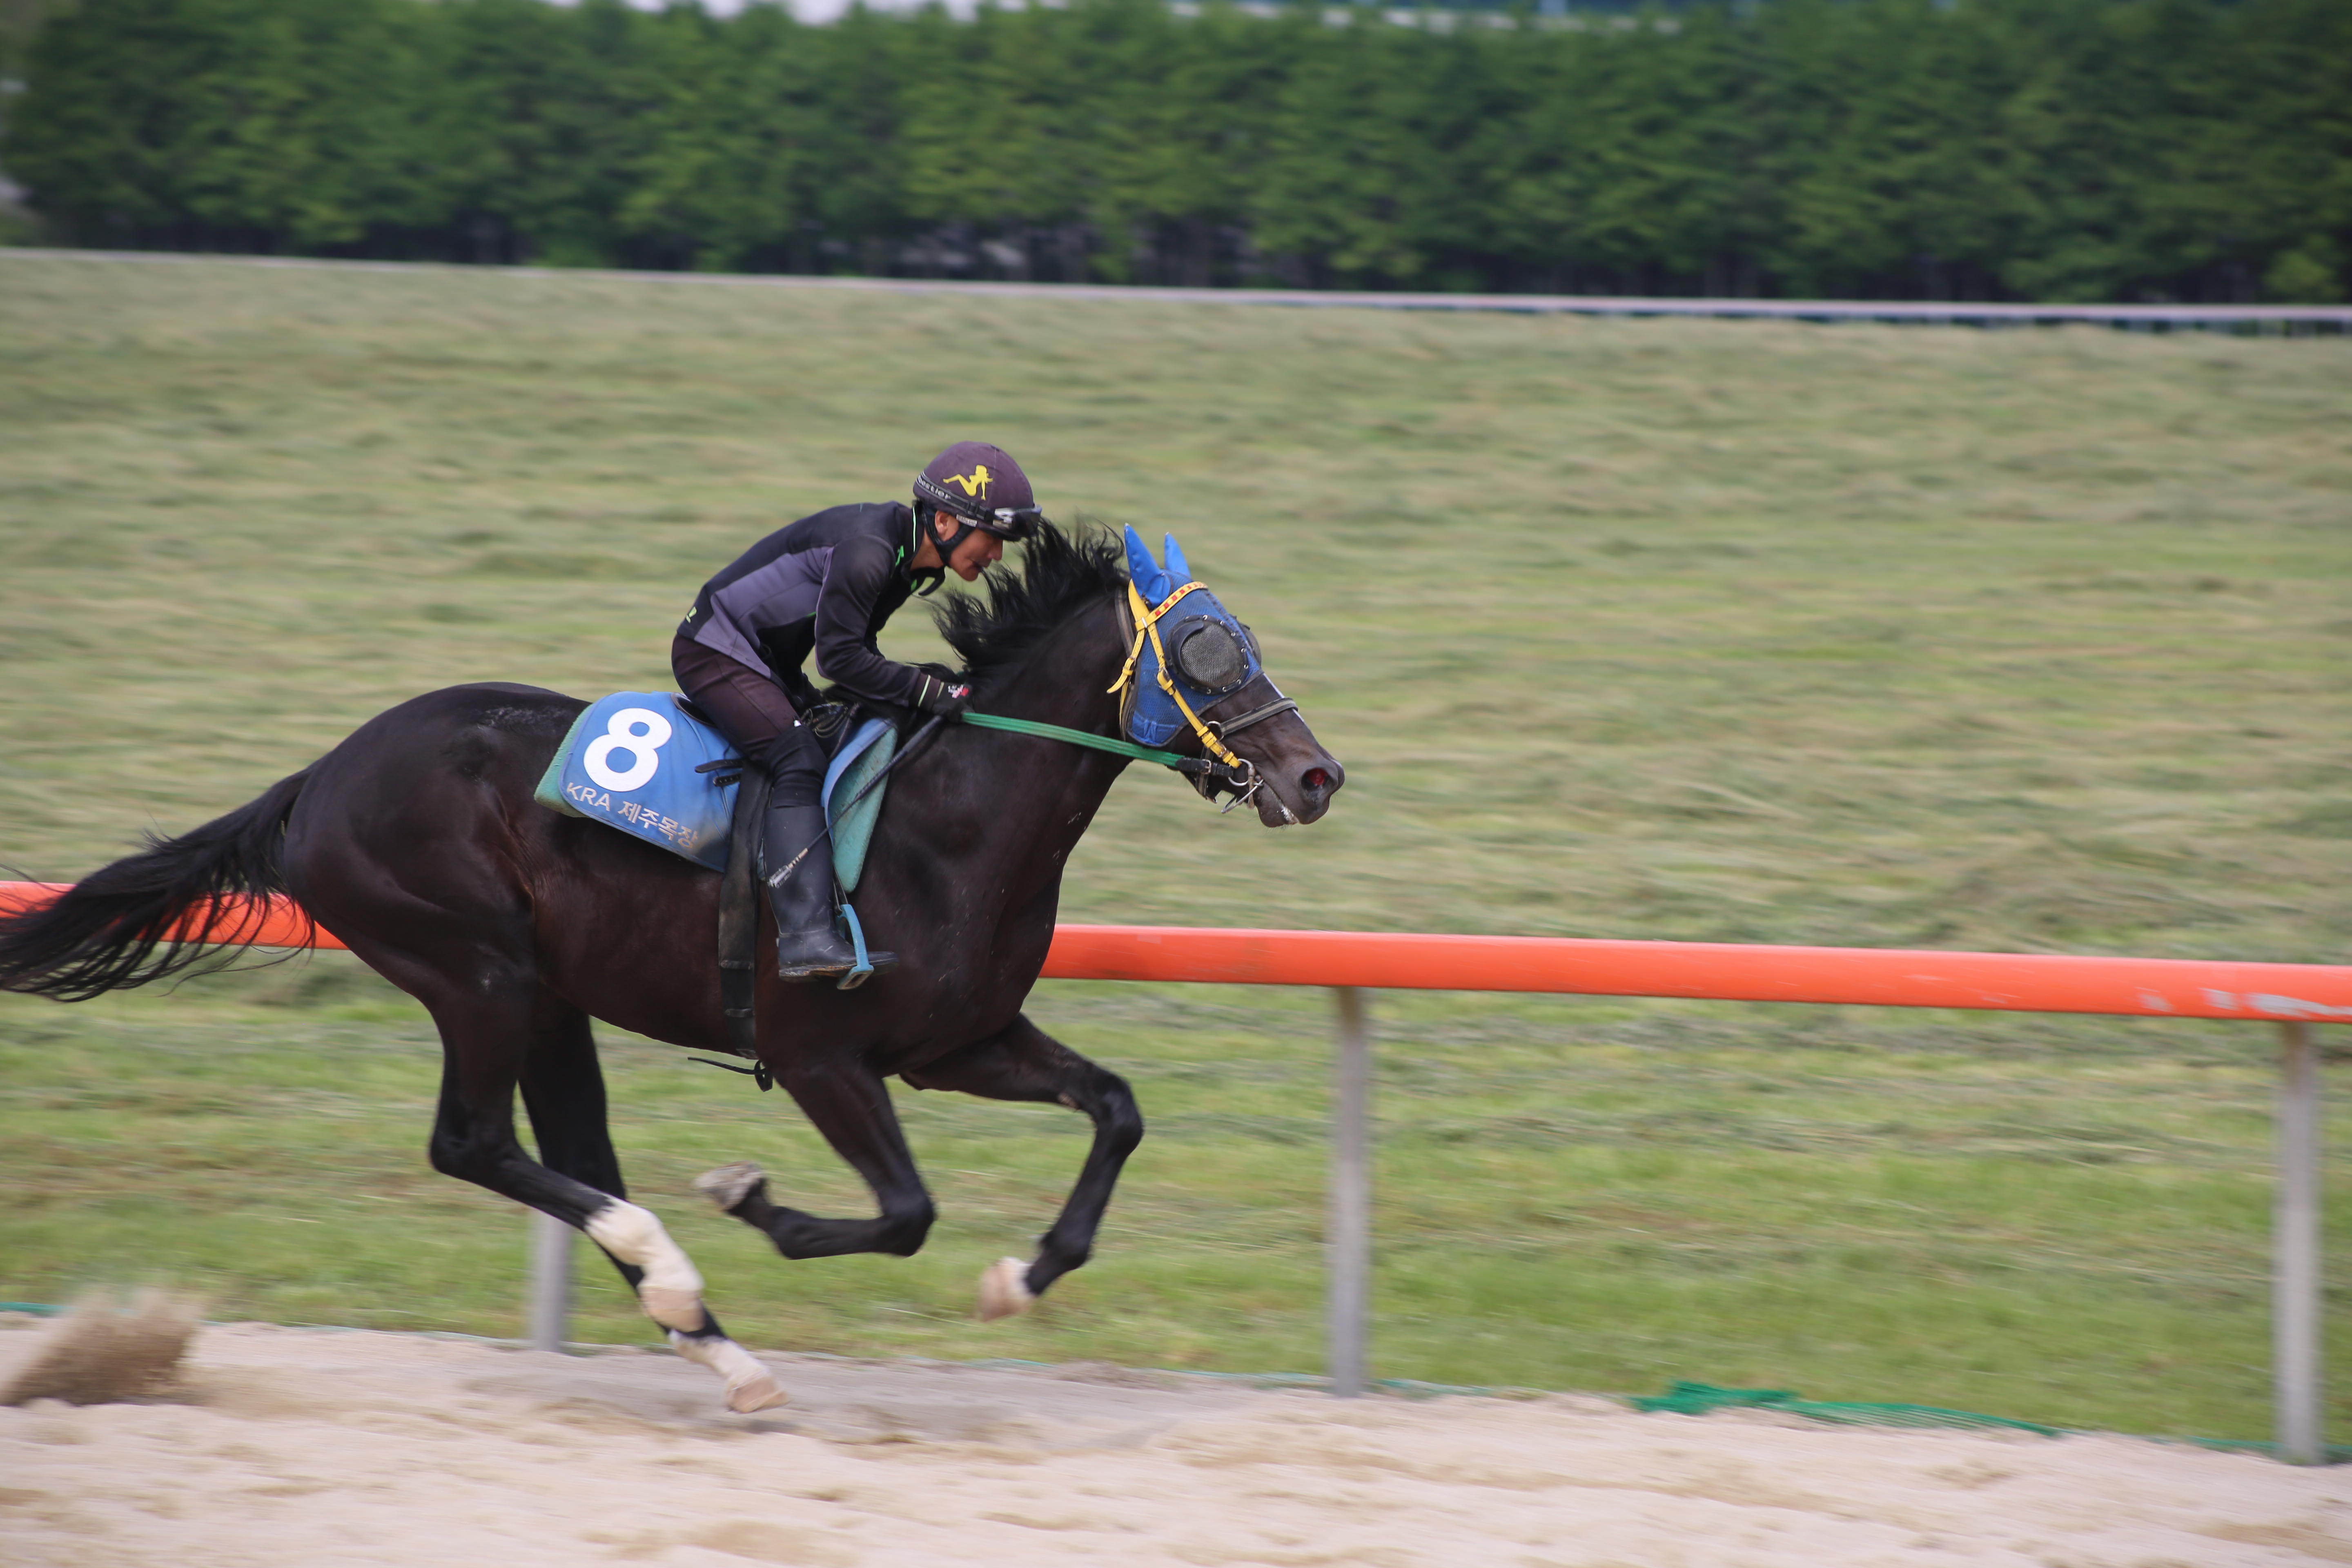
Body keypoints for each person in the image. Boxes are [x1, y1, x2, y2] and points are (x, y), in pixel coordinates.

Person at [673, 442, 1042, 982]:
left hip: (767, 659)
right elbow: (841, 659)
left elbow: (856, 651)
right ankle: (802, 938)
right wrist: (928, 692)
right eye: (993, 538)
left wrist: (926, 687)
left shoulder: (912, 564)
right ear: (944, 521)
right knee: (797, 758)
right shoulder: (871, 553)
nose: (997, 556)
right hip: (714, 650)